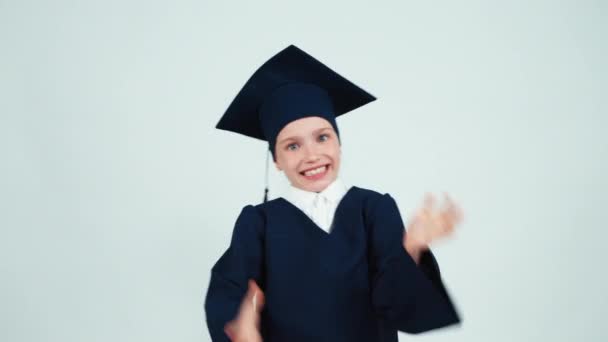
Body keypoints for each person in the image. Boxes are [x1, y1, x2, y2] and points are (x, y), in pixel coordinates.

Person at [204, 45, 463, 342]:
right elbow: (228, 289)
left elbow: (398, 302)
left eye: (322, 137)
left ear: (339, 143)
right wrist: (240, 330)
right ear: (276, 159)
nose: (311, 155)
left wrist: (412, 245)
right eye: (292, 145)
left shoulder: (374, 209)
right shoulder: (258, 223)